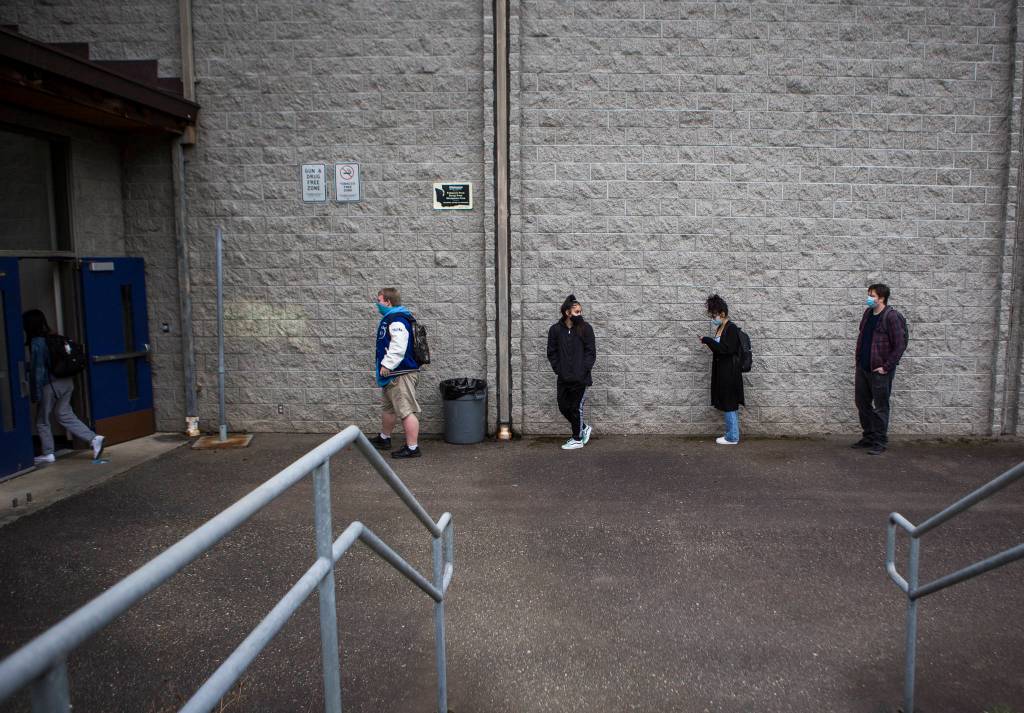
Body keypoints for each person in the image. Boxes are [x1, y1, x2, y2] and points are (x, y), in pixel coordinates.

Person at [23, 309, 104, 464]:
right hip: (67, 381)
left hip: (50, 385)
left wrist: (35, 393)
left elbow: (38, 370)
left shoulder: (37, 342)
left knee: (42, 420)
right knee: (64, 414)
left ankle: (48, 453)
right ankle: (94, 439)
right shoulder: (55, 336)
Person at [853, 283, 907, 455]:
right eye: (869, 295)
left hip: (880, 372)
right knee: (862, 403)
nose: (869, 298)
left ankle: (880, 441)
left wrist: (886, 367)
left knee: (881, 407)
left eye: (872, 296)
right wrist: (858, 361)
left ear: (882, 298)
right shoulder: (868, 313)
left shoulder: (891, 317)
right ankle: (869, 437)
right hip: (863, 368)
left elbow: (900, 345)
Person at [369, 288, 422, 459]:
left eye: (379, 300)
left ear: (388, 301)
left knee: (406, 410)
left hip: (400, 374)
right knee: (389, 408)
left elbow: (399, 345)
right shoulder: (393, 317)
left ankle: (412, 448)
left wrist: (387, 364)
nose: (377, 303)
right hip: (392, 375)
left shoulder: (397, 319)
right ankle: (384, 438)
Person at [546, 294, 596, 450]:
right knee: (563, 406)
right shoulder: (555, 330)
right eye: (576, 312)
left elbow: (591, 352)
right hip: (563, 378)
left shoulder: (585, 328)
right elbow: (551, 352)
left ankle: (577, 439)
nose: (580, 315)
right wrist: (558, 370)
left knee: (575, 407)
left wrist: (583, 370)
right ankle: (584, 428)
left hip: (580, 378)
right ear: (567, 313)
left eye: (580, 312)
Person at [699, 294, 744, 445]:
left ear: (722, 313)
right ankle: (732, 434)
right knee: (727, 401)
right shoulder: (721, 327)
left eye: (714, 315)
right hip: (723, 371)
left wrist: (708, 340)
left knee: (729, 402)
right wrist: (708, 342)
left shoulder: (731, 328)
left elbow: (726, 350)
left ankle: (732, 437)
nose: (713, 318)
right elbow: (719, 350)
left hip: (730, 372)